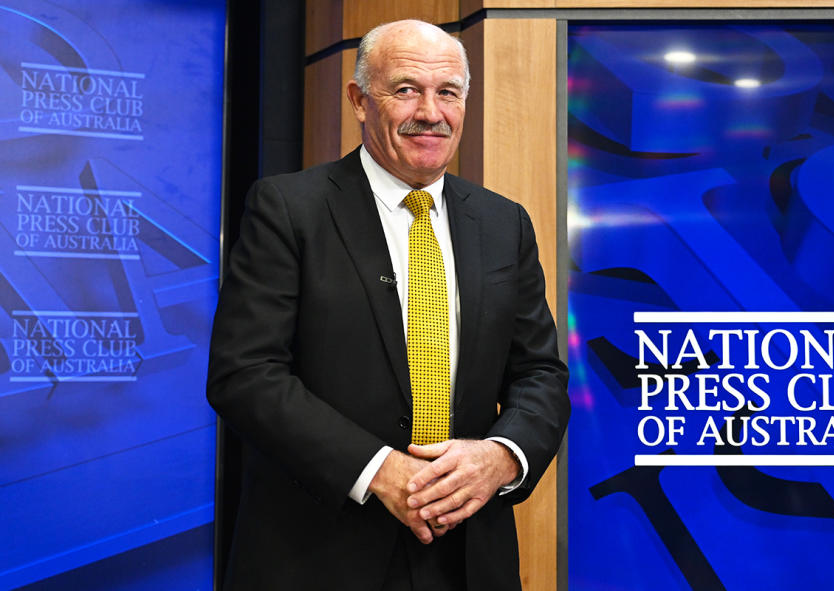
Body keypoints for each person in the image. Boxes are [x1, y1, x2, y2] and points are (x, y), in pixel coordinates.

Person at [207, 19, 569, 591]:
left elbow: (541, 374)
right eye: (405, 89)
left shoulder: (505, 223)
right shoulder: (287, 208)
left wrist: (502, 455)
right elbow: (244, 374)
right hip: (318, 555)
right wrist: (378, 470)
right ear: (358, 100)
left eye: (448, 92)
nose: (431, 111)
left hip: (470, 556)